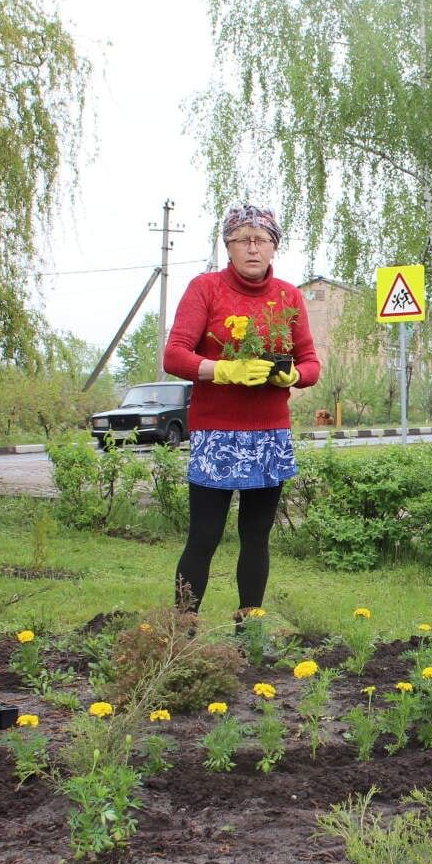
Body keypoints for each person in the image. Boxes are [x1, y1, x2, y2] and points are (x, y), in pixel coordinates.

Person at [163, 204, 319, 620]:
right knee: (204, 536)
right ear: (227, 246)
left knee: (256, 537)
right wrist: (222, 369)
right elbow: (174, 356)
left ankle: (249, 632)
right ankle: (183, 632)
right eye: (242, 240)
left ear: (274, 247)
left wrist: (293, 377)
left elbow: (311, 364)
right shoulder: (206, 289)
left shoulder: (288, 296)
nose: (253, 248)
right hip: (218, 434)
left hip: (269, 435)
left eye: (262, 240)